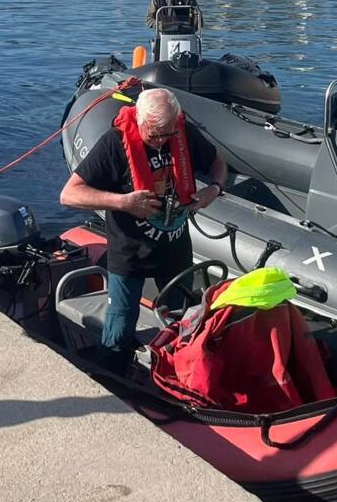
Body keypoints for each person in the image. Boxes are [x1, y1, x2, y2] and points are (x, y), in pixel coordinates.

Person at [60, 87, 228, 373]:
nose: (162, 141)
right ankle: (112, 379)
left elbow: (217, 163)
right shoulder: (114, 144)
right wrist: (123, 202)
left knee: (182, 322)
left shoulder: (182, 134)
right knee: (120, 325)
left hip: (175, 252)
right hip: (130, 255)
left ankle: (174, 378)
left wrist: (214, 188)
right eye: (155, 135)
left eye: (168, 134)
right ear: (139, 121)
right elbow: (69, 195)